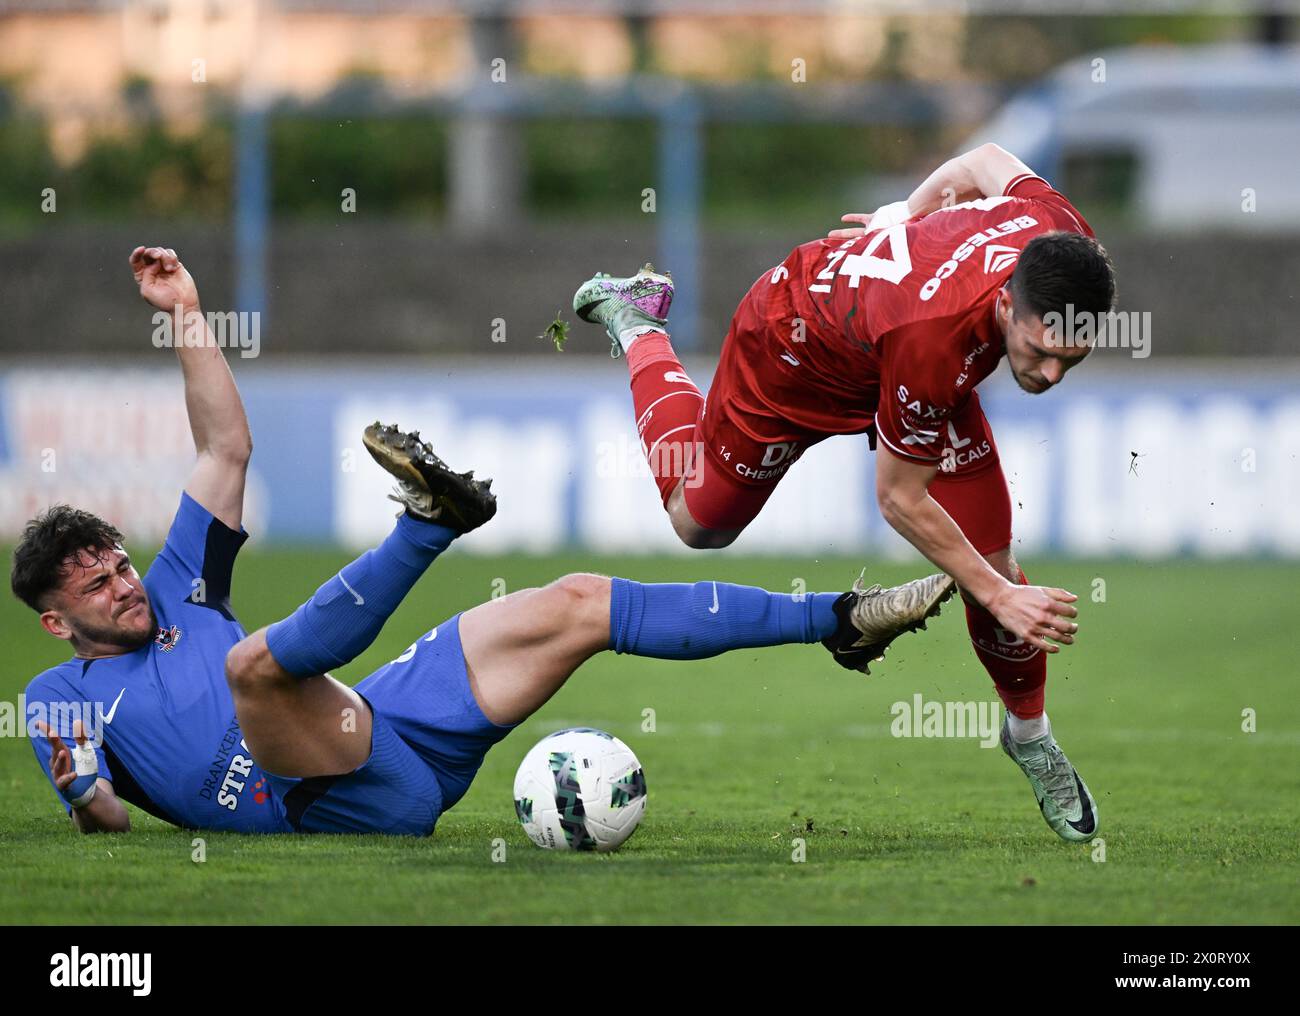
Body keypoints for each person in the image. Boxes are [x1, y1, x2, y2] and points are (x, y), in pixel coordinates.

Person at [15, 246, 940, 837]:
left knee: (575, 601)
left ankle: (842, 621)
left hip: (374, 724)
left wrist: (183, 314)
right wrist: (102, 803)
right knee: (252, 668)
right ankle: (425, 529)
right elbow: (99, 810)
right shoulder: (55, 694)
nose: (124, 586)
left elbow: (224, 447)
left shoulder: (180, 581)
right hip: (304, 797)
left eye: (119, 564)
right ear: (57, 624)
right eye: (95, 589)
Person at [571, 144, 1111, 841]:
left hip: (890, 354)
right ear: (1006, 304)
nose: (1053, 373)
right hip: (791, 350)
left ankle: (1030, 737)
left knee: (994, 565)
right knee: (698, 523)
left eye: (1073, 355)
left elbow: (985, 158)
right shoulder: (934, 337)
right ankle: (639, 320)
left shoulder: (1059, 232)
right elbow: (897, 497)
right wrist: (1001, 596)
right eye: (1041, 353)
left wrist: (901, 217)